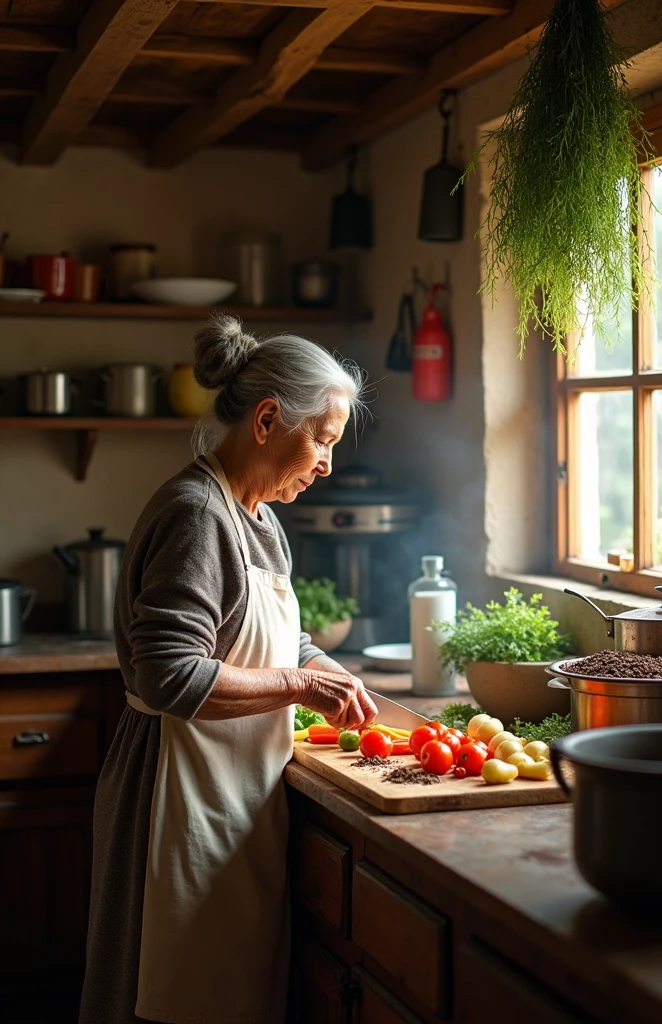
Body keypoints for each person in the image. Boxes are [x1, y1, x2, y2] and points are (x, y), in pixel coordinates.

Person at [78, 315, 378, 1024]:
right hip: (173, 797)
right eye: (323, 440)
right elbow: (169, 676)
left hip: (230, 796)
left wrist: (323, 669)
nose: (327, 464)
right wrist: (303, 686)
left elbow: (279, 641)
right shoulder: (196, 515)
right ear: (269, 419)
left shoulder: (262, 521)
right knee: (164, 994)